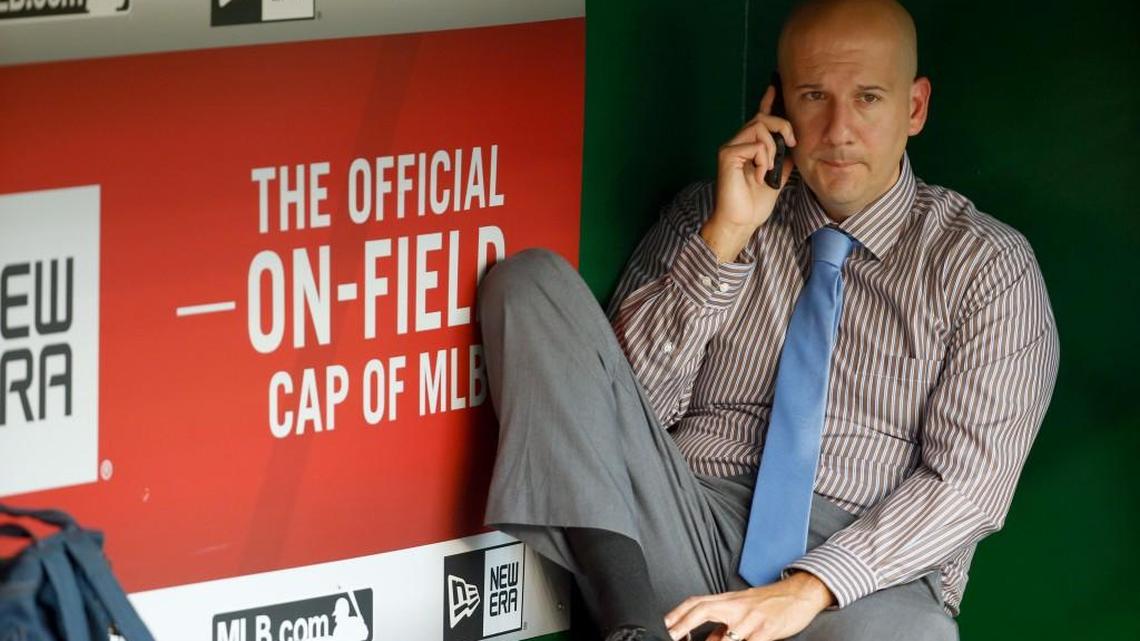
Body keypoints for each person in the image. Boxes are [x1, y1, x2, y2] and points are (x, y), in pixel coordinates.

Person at [475, 1, 1060, 640]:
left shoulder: (986, 266)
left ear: (914, 108)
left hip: (858, 579)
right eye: (815, 96)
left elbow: (969, 487)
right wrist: (724, 237)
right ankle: (630, 628)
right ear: (776, 107)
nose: (839, 130)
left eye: (867, 98)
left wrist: (806, 589)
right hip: (681, 528)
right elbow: (607, 412)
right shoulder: (709, 213)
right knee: (529, 283)